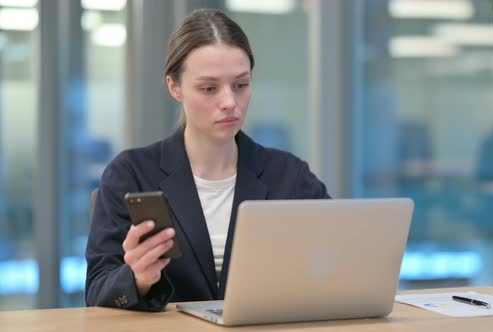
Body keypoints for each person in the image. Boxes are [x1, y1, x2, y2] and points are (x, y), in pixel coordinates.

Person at [85, 9, 329, 312]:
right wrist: (137, 278)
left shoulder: (290, 175)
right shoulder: (131, 174)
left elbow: (336, 266)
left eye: (240, 85)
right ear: (175, 87)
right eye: (209, 88)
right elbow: (97, 291)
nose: (229, 102)